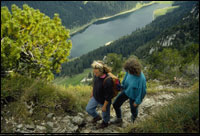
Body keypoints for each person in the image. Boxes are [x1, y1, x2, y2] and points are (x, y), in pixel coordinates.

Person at [111, 57, 146, 124]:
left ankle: (133, 121)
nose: (128, 72)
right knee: (115, 104)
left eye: (129, 71)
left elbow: (142, 92)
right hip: (126, 91)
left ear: (134, 70)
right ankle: (119, 119)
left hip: (134, 96)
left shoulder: (141, 79)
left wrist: (137, 102)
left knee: (133, 110)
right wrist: (122, 86)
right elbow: (125, 79)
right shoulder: (129, 71)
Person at [86, 60, 113, 128]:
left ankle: (105, 123)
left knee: (105, 115)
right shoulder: (96, 75)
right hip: (96, 97)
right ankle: (97, 117)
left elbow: (108, 96)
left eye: (96, 73)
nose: (95, 74)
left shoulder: (108, 80)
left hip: (104, 101)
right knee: (89, 109)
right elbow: (95, 84)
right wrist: (92, 92)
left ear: (101, 71)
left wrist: (104, 106)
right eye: (94, 72)